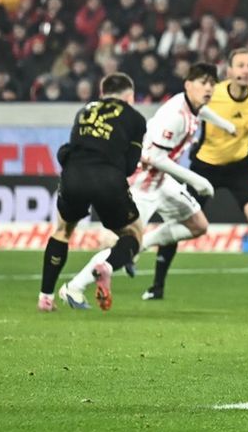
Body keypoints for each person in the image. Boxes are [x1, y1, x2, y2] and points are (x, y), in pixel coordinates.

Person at [60, 63, 224, 309]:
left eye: (212, 83)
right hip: (143, 183)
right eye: (203, 83)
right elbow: (155, 158)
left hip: (162, 180)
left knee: (198, 225)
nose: (209, 88)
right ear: (188, 85)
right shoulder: (175, 116)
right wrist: (197, 181)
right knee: (127, 241)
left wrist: (228, 126)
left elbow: (202, 113)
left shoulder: (191, 104)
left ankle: (141, 246)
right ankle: (73, 287)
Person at [144, 49, 248, 301]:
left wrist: (247, 147)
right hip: (206, 166)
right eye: (240, 65)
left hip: (240, 167)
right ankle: (157, 286)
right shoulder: (212, 93)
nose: (246, 70)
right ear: (228, 71)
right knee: (180, 222)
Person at [38, 73, 148, 312]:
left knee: (63, 230)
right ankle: (107, 266)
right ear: (129, 95)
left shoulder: (84, 111)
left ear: (102, 93)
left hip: (74, 175)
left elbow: (68, 150)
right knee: (133, 234)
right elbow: (130, 166)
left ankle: (45, 297)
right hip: (108, 179)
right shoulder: (136, 118)